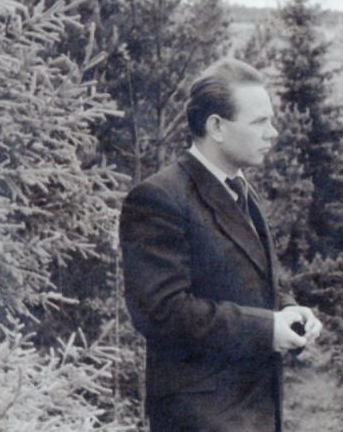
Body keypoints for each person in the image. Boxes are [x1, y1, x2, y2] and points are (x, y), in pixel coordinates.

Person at [119, 58, 323, 432]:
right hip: (199, 420)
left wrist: (289, 310)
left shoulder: (242, 190)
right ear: (216, 127)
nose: (273, 133)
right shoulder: (159, 198)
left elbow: (253, 278)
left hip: (252, 416)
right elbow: (161, 312)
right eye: (259, 122)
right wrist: (266, 329)